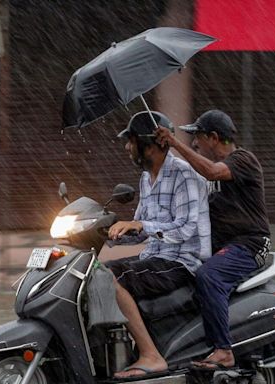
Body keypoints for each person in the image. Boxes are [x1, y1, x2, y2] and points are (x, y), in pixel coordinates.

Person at [155, 109, 271, 370]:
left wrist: (174, 143)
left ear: (214, 138)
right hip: (223, 247)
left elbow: (213, 172)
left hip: (250, 245)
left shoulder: (243, 160)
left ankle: (223, 350)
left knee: (209, 276)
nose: (194, 143)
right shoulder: (207, 174)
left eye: (198, 137)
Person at [106, 110, 211, 378]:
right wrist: (108, 233)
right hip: (154, 258)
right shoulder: (146, 178)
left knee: (109, 277)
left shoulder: (183, 174)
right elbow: (141, 229)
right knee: (94, 271)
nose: (127, 148)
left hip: (180, 262)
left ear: (149, 145)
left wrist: (142, 226)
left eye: (131, 141)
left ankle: (150, 355)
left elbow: (185, 229)